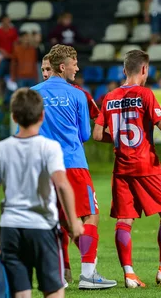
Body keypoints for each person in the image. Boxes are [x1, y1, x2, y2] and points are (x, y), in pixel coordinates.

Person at [93, 50, 161, 288]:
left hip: (121, 168)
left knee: (124, 220)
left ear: (124, 70)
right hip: (147, 166)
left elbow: (98, 134)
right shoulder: (145, 94)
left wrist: (120, 139)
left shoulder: (110, 97)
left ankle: (129, 274)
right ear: (143, 70)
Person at [0, 88, 84, 298]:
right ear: (42, 116)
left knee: (21, 292)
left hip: (11, 228)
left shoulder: (1, 147)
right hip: (42, 227)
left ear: (14, 117)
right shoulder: (50, 147)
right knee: (54, 290)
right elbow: (62, 185)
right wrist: (74, 221)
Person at [31, 45, 116, 290]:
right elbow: (86, 134)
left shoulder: (33, 93)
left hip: (43, 167)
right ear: (63, 67)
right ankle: (88, 274)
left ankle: (57, 275)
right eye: (74, 64)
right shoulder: (78, 95)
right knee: (90, 214)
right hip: (72, 163)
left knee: (54, 220)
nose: (77, 68)